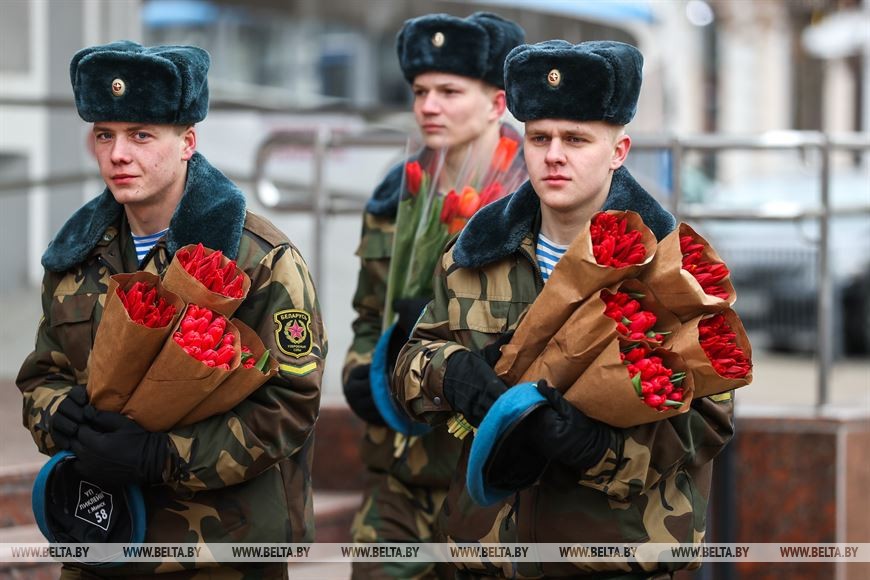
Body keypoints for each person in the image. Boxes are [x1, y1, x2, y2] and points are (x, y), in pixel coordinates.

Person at [392, 40, 735, 578]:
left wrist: (600, 448)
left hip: (613, 555)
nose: (554, 155)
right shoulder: (476, 250)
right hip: (489, 553)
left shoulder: (673, 268)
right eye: (539, 137)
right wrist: (450, 374)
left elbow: (708, 419)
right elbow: (411, 363)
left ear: (618, 150)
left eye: (576, 139)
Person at [16, 41, 325, 578]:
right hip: (99, 537)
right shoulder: (75, 256)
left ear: (187, 142)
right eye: (105, 134)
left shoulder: (256, 259)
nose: (118, 155)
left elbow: (290, 406)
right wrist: (56, 415)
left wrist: (167, 455)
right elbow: (44, 374)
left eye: (141, 135)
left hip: (218, 549)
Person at [342, 12, 525, 580]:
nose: (428, 105)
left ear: (497, 103)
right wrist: (362, 373)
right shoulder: (395, 196)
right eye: (421, 91)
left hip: (486, 475)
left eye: (449, 91)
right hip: (398, 468)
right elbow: (369, 315)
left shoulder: (533, 200)